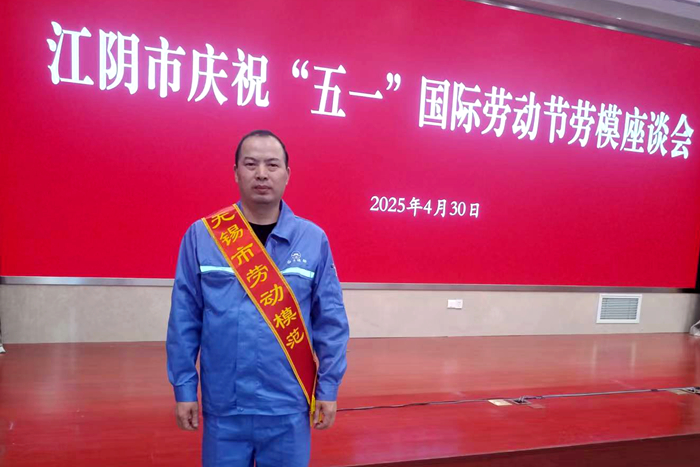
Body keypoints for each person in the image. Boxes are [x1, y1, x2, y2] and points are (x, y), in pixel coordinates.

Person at [166, 129, 349, 467]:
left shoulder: (313, 239)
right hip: (224, 406)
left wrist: (328, 387)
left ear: (287, 174)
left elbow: (331, 322)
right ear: (236, 172)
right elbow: (184, 319)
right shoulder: (203, 236)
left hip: (288, 406)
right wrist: (185, 388)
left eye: (272, 165)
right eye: (251, 164)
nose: (262, 174)